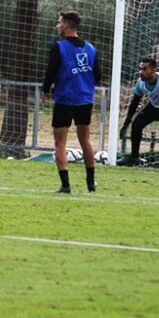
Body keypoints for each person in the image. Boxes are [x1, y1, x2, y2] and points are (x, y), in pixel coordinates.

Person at [42, 11, 101, 193]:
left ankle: (66, 185)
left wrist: (45, 89)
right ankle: (91, 184)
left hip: (65, 100)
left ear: (67, 25)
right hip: (85, 101)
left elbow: (51, 72)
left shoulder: (58, 47)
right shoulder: (91, 48)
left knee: (60, 143)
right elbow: (97, 76)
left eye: (59, 22)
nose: (58, 26)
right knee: (85, 140)